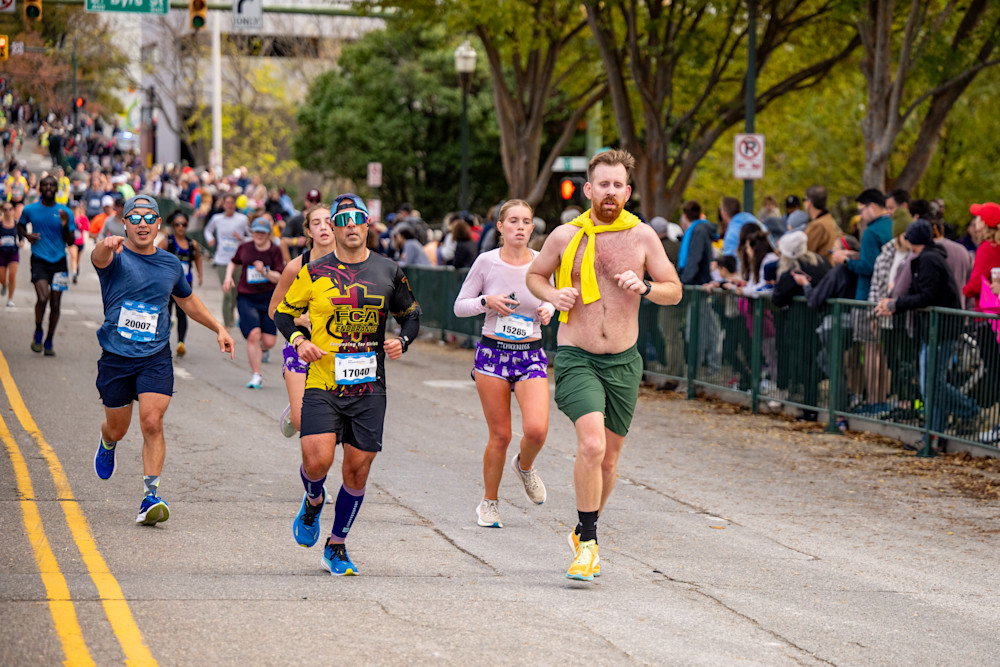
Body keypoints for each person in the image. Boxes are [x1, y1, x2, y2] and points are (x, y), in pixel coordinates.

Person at [525, 150, 682, 582]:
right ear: (589, 189)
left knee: (609, 461)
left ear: (627, 191)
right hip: (577, 356)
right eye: (603, 184)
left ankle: (582, 528)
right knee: (591, 446)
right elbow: (535, 275)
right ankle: (590, 545)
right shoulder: (563, 235)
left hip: (625, 363)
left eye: (618, 185)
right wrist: (552, 296)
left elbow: (675, 290)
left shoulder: (643, 237)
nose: (610, 192)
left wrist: (646, 286)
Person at [275, 193, 420, 576]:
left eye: (359, 218)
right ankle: (312, 499)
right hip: (323, 380)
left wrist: (401, 340)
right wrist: (300, 342)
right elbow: (284, 314)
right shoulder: (315, 271)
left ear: (367, 225)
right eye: (344, 219)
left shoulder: (388, 271)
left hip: (369, 387)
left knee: (356, 470)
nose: (352, 225)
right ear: (333, 228)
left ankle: (336, 544)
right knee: (316, 460)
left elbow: (411, 315)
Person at [91, 194, 234, 525]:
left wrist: (218, 327)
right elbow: (97, 258)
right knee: (119, 427)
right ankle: (107, 440)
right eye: (135, 218)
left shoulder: (170, 264)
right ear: (124, 223)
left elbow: (187, 300)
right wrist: (105, 244)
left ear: (159, 223)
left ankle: (150, 496)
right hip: (116, 357)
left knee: (152, 422)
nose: (142, 224)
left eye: (149, 218)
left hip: (155, 356)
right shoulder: (114, 256)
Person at [453, 199, 554, 528]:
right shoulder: (487, 262)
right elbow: (460, 306)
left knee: (537, 430)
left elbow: (552, 300)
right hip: (493, 354)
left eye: (526, 221)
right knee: (500, 435)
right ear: (500, 226)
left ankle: (524, 467)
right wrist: (487, 302)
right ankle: (489, 502)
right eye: (513, 221)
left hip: (530, 353)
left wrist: (548, 310)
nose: (521, 227)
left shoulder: (542, 262)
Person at [873, 219, 975, 447]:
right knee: (929, 382)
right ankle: (932, 434)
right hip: (932, 328)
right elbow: (915, 292)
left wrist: (896, 305)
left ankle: (968, 410)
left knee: (932, 383)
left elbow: (927, 295)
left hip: (940, 329)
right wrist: (894, 305)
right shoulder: (926, 258)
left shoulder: (929, 259)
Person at [268, 203, 336, 438]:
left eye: (328, 221)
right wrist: (299, 319)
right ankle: (294, 411)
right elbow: (274, 310)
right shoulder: (296, 266)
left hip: (337, 349)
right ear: (308, 231)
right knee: (300, 421)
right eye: (316, 223)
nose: (323, 227)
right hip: (300, 345)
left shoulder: (352, 265)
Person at [17, 174, 75, 356]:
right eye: (45, 185)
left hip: (59, 262)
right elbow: (20, 225)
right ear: (40, 188)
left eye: (52, 185)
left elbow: (71, 241)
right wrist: (26, 236)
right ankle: (38, 329)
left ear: (57, 189)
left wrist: (65, 225)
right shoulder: (30, 209)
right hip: (39, 260)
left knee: (56, 303)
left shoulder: (65, 212)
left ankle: (49, 339)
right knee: (43, 298)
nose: (49, 188)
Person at [224, 217, 284, 389]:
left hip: (268, 299)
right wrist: (228, 277)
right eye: (256, 231)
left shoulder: (275, 250)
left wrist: (264, 271)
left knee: (270, 342)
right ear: (252, 232)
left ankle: (262, 349)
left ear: (268, 234)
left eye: (263, 232)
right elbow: (233, 262)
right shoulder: (245, 248)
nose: (259, 235)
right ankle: (256, 375)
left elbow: (279, 277)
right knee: (253, 335)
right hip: (247, 297)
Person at [158, 210, 203, 357]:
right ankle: (162, 342)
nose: (180, 227)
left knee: (182, 313)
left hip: (184, 285)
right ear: (173, 226)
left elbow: (197, 258)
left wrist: (200, 274)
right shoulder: (167, 241)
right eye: (177, 224)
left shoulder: (192, 244)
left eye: (183, 224)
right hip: (167, 285)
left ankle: (181, 343)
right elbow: (155, 254)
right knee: (166, 313)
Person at [203, 192, 250, 329]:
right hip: (222, 260)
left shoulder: (242, 219)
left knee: (235, 294)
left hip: (238, 261)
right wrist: (209, 239)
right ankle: (227, 323)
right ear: (223, 205)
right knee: (227, 292)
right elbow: (207, 230)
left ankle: (231, 316)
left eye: (232, 203)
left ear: (235, 205)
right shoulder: (217, 219)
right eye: (227, 203)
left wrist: (241, 238)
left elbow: (252, 237)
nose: (229, 206)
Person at [280, 188, 321, 262]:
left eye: (317, 201)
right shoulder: (296, 220)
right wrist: (296, 241)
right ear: (306, 202)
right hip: (300, 259)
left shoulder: (324, 221)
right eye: (311, 200)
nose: (314, 203)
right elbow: (282, 241)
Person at [802, 185, 843, 256]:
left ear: (809, 203)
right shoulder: (829, 219)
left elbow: (803, 252)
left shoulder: (818, 225)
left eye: (804, 200)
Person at [0, 201, 21, 307]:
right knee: (2, 277)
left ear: (13, 210)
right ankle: (4, 285)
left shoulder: (16, 224)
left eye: (10, 209)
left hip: (13, 252)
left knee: (12, 276)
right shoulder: (0, 223)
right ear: (3, 211)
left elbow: (21, 235)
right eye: (5, 209)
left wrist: (21, 241)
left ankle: (10, 299)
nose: (7, 212)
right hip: (2, 253)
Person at [68, 198, 89, 283]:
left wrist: (81, 226)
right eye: (72, 208)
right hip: (72, 242)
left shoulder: (82, 218)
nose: (74, 209)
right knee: (73, 257)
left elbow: (88, 228)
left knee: (77, 259)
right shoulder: (69, 218)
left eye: (75, 207)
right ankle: (74, 274)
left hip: (80, 242)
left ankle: (76, 267)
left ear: (78, 208)